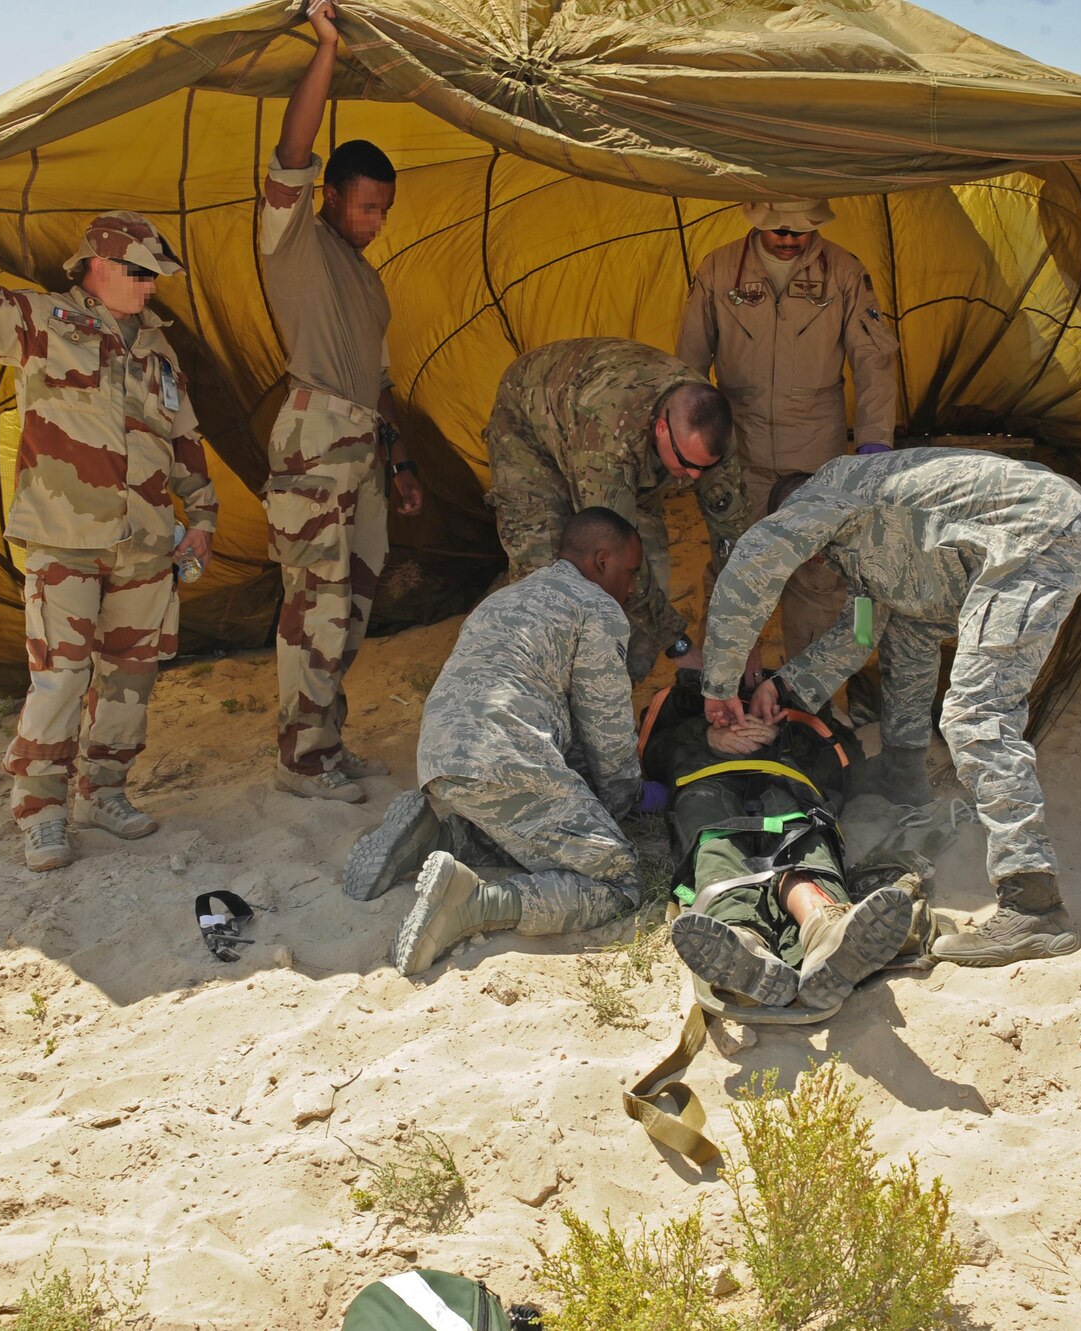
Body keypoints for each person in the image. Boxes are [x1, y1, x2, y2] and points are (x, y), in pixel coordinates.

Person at [0, 176, 216, 872]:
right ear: (96, 264)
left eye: (154, 277)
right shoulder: (43, 323)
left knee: (131, 677)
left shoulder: (160, 351)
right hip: (66, 539)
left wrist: (203, 520)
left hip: (147, 544)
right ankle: (41, 811)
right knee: (60, 680)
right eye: (138, 273)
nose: (149, 287)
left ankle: (106, 791)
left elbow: (185, 442)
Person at [701, 450, 1081, 966]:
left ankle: (1034, 905)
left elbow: (755, 556)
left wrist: (719, 683)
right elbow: (861, 632)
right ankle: (903, 772)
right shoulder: (872, 544)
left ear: (799, 514)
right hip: (1018, 540)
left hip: (1037, 537)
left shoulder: (831, 488)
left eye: (811, 549)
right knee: (908, 630)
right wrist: (782, 688)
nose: (816, 562)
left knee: (976, 711)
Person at [340, 509, 652, 976]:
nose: (630, 588)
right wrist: (620, 806)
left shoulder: (505, 599)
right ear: (602, 560)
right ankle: (477, 903)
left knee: (534, 830)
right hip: (505, 754)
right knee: (619, 878)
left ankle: (435, 838)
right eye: (630, 572)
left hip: (442, 757)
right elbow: (605, 728)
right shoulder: (598, 608)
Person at [260, 0, 425, 804]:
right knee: (314, 605)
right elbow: (292, 145)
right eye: (367, 206)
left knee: (352, 606)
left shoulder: (369, 280)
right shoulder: (293, 240)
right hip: (313, 443)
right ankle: (300, 760)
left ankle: (324, 739)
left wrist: (402, 462)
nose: (377, 222)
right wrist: (325, 48)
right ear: (328, 194)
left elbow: (382, 385)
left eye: (385, 210)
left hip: (361, 447)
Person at [676, 199, 899, 670]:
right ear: (757, 221)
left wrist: (874, 446)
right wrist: (690, 444)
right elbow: (690, 362)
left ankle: (817, 696)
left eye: (800, 231)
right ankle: (721, 693)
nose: (789, 239)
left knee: (820, 575)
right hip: (739, 448)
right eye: (779, 230)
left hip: (815, 451)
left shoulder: (843, 271)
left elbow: (873, 362)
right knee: (733, 568)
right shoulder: (718, 270)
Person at [642, 676, 921, 1012]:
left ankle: (825, 927)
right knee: (716, 839)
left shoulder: (797, 691)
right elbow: (648, 753)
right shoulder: (680, 697)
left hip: (785, 778)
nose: (743, 657)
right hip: (704, 780)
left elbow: (844, 755)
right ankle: (741, 938)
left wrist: (782, 736)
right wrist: (705, 736)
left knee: (802, 834)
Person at [483, 337, 751, 678]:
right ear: (662, 428)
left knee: (651, 565)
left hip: (617, 440)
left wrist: (741, 639)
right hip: (530, 428)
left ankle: (619, 684)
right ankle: (541, 685)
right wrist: (678, 644)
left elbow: (735, 533)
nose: (695, 476)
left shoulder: (709, 426)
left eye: (704, 467)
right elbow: (610, 552)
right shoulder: (607, 439)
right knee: (549, 577)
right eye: (686, 463)